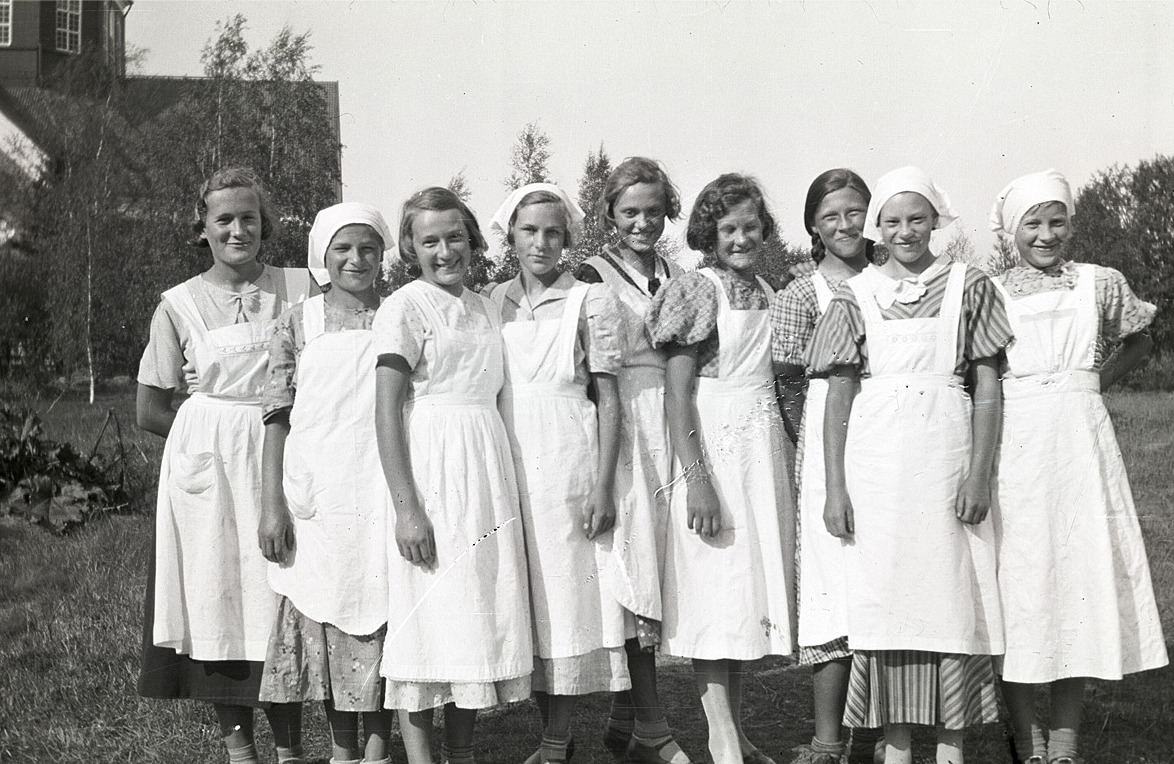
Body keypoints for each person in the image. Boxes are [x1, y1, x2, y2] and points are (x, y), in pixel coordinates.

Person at [808, 166, 1008, 764]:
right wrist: (835, 488)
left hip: (946, 460)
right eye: (891, 222)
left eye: (917, 219)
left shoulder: (970, 286)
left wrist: (977, 475)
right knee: (888, 598)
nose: (905, 231)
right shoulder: (854, 295)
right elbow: (838, 398)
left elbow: (989, 388)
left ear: (936, 221)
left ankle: (950, 748)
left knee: (951, 594)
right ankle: (894, 748)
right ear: (877, 228)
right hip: (878, 468)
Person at [988, 169, 1168, 764]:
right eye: (1033, 224)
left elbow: (1142, 343)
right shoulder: (990, 290)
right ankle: (1025, 732)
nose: (1046, 235)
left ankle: (1064, 736)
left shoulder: (1100, 282)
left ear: (1071, 224)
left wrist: (1093, 383)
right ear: (1013, 231)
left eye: (1057, 221)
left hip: (1080, 447)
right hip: (1017, 446)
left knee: (1077, 583)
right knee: (1020, 583)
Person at [136, 167, 310, 764]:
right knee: (218, 598)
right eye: (225, 220)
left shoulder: (301, 286)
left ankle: (289, 749)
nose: (239, 230)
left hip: (284, 451)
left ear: (266, 225)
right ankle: (239, 749)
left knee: (281, 598)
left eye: (250, 218)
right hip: (208, 469)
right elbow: (149, 407)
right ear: (203, 229)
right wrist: (203, 434)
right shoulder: (178, 304)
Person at [373, 187, 532, 764]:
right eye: (429, 240)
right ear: (410, 248)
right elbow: (386, 408)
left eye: (455, 236)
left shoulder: (487, 305)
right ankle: (420, 758)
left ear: (472, 238)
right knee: (426, 618)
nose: (445, 251)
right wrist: (407, 507)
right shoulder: (405, 306)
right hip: (432, 467)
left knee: (474, 613)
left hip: (485, 468)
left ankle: (461, 754)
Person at [647, 173, 795, 764]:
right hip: (713, 446)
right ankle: (720, 734)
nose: (741, 238)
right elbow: (677, 395)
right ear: (708, 232)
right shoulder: (697, 289)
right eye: (728, 228)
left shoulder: (765, 286)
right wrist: (698, 481)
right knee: (715, 593)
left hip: (760, 451)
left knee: (743, 596)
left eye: (751, 227)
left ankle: (734, 728)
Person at [489, 183, 630, 764]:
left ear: (567, 237)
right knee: (524, 590)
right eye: (529, 231)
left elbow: (610, 397)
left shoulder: (589, 299)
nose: (541, 242)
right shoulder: (489, 300)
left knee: (564, 593)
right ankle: (553, 732)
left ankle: (556, 738)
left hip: (568, 451)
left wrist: (601, 484)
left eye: (553, 231)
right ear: (511, 236)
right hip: (506, 454)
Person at [257, 202, 396, 764]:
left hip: (384, 488)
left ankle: (380, 749)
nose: (356, 260)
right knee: (329, 612)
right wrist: (271, 504)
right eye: (343, 249)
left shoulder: (399, 314)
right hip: (318, 494)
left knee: (385, 616)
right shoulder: (298, 322)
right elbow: (276, 417)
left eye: (367, 248)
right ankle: (343, 749)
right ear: (323, 255)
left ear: (383, 255)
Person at [574, 156, 691, 764]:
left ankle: (626, 724)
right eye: (629, 212)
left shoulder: (680, 271)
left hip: (674, 420)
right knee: (634, 569)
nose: (642, 222)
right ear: (610, 214)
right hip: (620, 422)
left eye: (653, 210)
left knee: (669, 570)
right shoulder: (589, 274)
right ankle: (651, 725)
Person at [770, 169, 880, 764]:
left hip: (892, 434)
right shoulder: (797, 295)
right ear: (813, 225)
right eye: (831, 216)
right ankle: (828, 740)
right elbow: (787, 386)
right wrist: (814, 455)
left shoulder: (893, 279)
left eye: (855, 212)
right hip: (823, 442)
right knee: (830, 585)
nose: (845, 225)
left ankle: (894, 731)